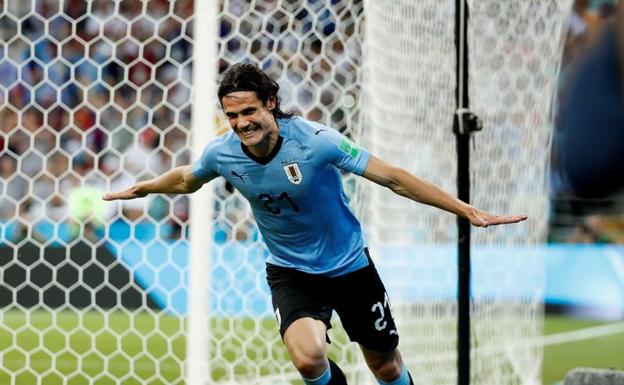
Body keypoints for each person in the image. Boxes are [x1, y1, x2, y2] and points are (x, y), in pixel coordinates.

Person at [103, 63, 527, 385]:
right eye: (232, 116)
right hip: (290, 271)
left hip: (350, 266)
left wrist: (465, 210)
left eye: (248, 111)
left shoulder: (316, 141)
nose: (241, 123)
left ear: (270, 102)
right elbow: (186, 179)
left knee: (384, 365)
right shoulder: (223, 153)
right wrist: (145, 188)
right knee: (308, 359)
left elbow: (394, 178)